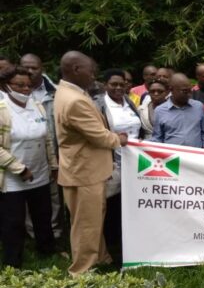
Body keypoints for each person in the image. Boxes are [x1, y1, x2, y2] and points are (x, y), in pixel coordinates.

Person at [54, 51, 128, 276]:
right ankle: (81, 270)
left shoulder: (68, 92)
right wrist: (120, 139)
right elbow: (99, 137)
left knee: (94, 220)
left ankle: (102, 258)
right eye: (91, 71)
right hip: (83, 172)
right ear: (76, 69)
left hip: (87, 170)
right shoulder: (75, 99)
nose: (94, 76)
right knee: (86, 225)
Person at [0, 65, 57, 267]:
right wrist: (19, 169)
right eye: (20, 85)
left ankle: (47, 251)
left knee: (43, 215)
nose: (25, 89)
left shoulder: (36, 105)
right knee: (13, 222)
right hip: (12, 178)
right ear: (7, 86)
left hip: (40, 173)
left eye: (28, 85)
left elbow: (48, 138)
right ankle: (13, 262)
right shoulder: (2, 110)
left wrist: (53, 165)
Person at [94, 69, 143, 260]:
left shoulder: (128, 102)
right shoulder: (99, 104)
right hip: (112, 162)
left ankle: (126, 242)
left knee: (128, 204)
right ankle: (110, 246)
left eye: (121, 84)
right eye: (113, 84)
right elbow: (98, 133)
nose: (117, 88)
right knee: (110, 203)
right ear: (105, 85)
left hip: (134, 162)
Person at [20, 53, 64, 239]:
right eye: (26, 67)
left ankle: (54, 231)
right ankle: (31, 233)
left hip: (51, 150)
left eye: (34, 68)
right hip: (21, 151)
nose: (30, 71)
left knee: (53, 195)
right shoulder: (11, 90)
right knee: (26, 193)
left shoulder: (55, 92)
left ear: (42, 68)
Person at [152, 73, 204, 148]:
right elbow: (157, 138)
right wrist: (141, 145)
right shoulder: (160, 111)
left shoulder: (198, 106)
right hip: (172, 158)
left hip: (195, 157)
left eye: (190, 90)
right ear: (171, 90)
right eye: (185, 91)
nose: (189, 94)